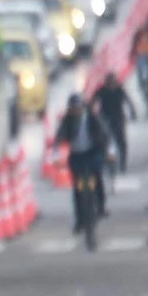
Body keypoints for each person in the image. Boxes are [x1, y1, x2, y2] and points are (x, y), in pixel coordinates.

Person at [52, 93, 112, 233]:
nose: (75, 112)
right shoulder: (67, 120)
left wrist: (109, 152)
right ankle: (80, 221)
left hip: (93, 153)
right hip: (77, 157)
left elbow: (104, 135)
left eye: (78, 108)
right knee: (78, 189)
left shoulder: (92, 117)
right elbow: (59, 137)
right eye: (73, 109)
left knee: (96, 178)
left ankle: (100, 207)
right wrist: (55, 156)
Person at [90, 72, 137, 173]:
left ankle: (122, 163)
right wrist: (91, 114)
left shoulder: (119, 90)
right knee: (106, 142)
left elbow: (128, 101)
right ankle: (109, 163)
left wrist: (133, 112)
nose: (112, 84)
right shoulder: (102, 91)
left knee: (121, 142)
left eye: (113, 82)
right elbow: (92, 101)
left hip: (118, 118)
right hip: (105, 119)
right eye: (110, 82)